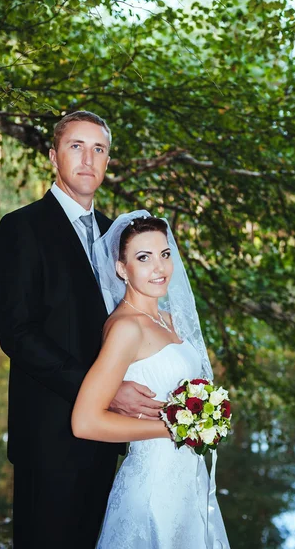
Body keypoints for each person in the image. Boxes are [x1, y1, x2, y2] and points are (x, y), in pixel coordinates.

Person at [0, 112, 164, 549]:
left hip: (109, 440)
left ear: (107, 161)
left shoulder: (117, 235)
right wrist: (103, 390)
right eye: (76, 146)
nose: (88, 159)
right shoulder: (21, 227)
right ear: (54, 156)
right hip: (49, 438)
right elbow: (18, 333)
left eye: (99, 149)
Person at [72, 210, 230, 548]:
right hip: (154, 488)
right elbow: (85, 422)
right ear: (121, 268)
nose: (159, 268)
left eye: (165, 254)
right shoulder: (126, 328)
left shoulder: (170, 320)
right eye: (143, 258)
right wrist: (172, 428)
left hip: (189, 481)